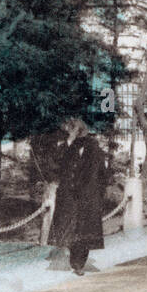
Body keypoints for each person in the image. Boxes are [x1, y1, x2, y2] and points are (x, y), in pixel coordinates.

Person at [47, 117, 109, 275]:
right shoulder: (68, 147)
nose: (71, 132)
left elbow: (103, 175)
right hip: (69, 196)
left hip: (87, 197)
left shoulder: (95, 149)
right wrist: (69, 140)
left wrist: (98, 196)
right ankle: (74, 259)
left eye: (73, 130)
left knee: (84, 233)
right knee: (69, 229)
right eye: (71, 130)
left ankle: (78, 264)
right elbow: (56, 163)